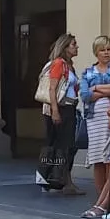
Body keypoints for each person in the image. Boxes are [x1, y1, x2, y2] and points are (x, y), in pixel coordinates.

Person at [79, 36, 110, 219]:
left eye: (109, 49)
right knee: (98, 158)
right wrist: (105, 89)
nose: (106, 52)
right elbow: (84, 95)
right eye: (103, 50)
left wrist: (96, 88)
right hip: (94, 120)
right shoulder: (87, 71)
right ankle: (103, 199)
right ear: (96, 52)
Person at [36, 33, 83, 196]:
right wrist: (55, 111)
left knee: (66, 146)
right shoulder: (59, 64)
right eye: (73, 44)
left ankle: (60, 179)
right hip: (59, 109)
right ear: (64, 47)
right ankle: (53, 178)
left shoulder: (69, 66)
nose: (76, 47)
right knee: (59, 145)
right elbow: (52, 89)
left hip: (69, 108)